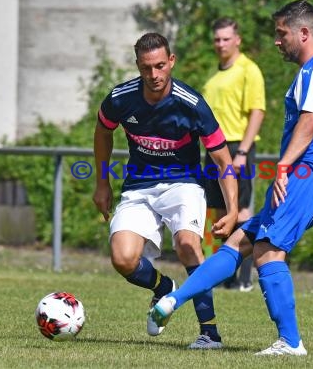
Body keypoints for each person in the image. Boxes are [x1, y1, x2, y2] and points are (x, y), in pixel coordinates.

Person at [149, 0, 313, 356]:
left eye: (281, 33)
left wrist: (283, 165)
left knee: (268, 250)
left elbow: (310, 122)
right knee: (240, 239)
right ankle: (172, 302)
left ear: (304, 33)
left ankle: (290, 342)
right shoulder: (311, 72)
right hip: (305, 172)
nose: (277, 40)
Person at [93, 32, 238, 349]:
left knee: (187, 245)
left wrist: (233, 209)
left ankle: (209, 333)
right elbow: (103, 130)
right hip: (138, 188)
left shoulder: (192, 105)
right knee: (123, 258)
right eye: (146, 68)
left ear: (171, 61)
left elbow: (222, 158)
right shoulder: (121, 98)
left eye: (160, 66)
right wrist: (102, 182)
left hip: (183, 185)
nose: (154, 75)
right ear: (137, 66)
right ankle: (163, 286)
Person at [202, 17, 266, 292]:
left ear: (237, 39)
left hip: (237, 146)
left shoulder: (248, 70)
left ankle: (243, 278)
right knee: (216, 211)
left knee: (240, 209)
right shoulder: (214, 77)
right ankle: (222, 273)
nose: (221, 44)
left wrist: (242, 151)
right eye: (217, 39)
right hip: (213, 149)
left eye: (226, 38)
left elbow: (257, 111)